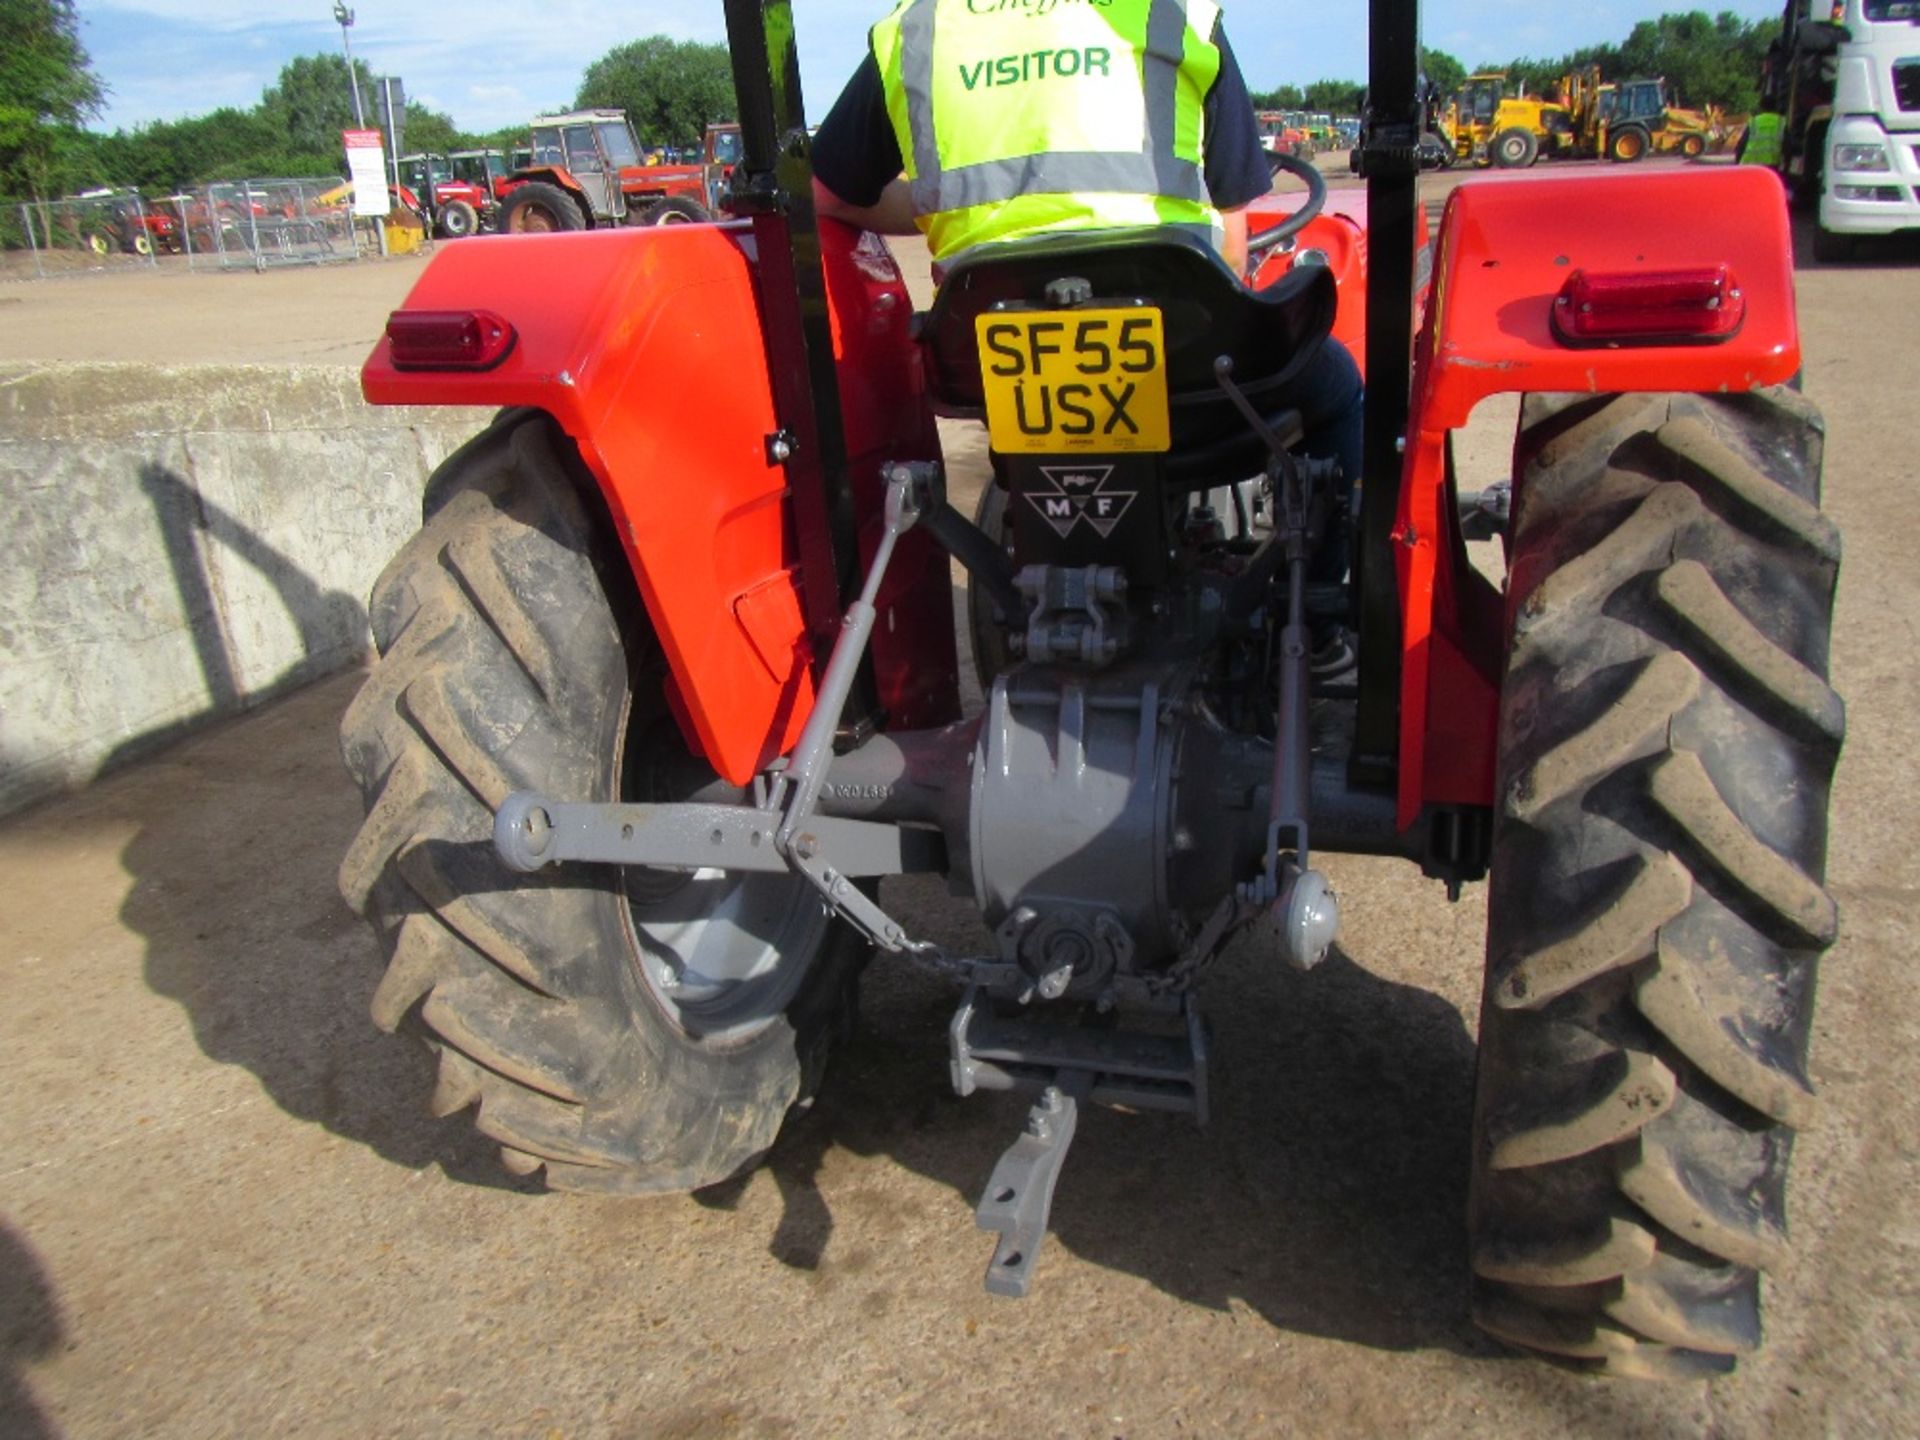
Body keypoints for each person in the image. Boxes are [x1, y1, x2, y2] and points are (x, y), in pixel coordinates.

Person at [810, 0, 1364, 650]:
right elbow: (1234, 246)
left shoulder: (917, 28)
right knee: (1340, 391)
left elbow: (827, 194)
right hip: (1185, 374)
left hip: (1000, 368)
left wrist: (940, 207)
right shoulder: (1177, 14)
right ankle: (1325, 624)